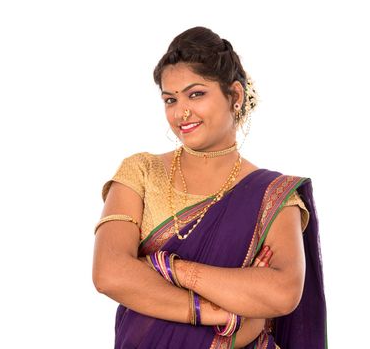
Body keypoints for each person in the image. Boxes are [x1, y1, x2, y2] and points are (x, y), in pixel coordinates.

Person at [92, 26, 327, 349]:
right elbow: (110, 273)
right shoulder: (140, 172)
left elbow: (282, 293)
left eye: (196, 94)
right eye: (170, 99)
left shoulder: (273, 195)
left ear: (235, 95)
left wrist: (166, 267)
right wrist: (219, 310)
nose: (181, 112)